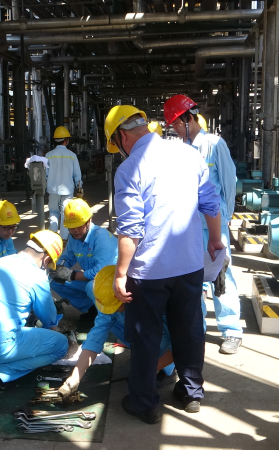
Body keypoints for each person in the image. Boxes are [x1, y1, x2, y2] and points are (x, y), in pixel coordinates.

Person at [105, 105, 223, 423]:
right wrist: (214, 239)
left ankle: (144, 403)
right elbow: (210, 202)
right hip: (189, 265)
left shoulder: (129, 168)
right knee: (189, 330)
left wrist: (120, 273)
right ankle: (191, 393)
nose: (119, 150)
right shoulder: (188, 154)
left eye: (116, 144)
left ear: (121, 136)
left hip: (149, 272)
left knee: (146, 336)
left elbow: (131, 229)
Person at [164, 94, 242, 355]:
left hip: (214, 225)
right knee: (192, 277)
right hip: (190, 226)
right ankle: (196, 329)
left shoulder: (214, 144)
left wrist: (226, 217)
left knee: (222, 275)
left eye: (176, 123)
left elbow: (229, 183)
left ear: (189, 118)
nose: (174, 129)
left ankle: (231, 330)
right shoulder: (180, 150)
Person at [0, 230, 68, 390]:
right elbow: (49, 319)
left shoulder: (0, 262)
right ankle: (1, 372)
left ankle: (0, 360)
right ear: (46, 259)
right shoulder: (37, 276)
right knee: (60, 345)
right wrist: (53, 330)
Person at [58, 266, 176, 399]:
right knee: (109, 322)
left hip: (168, 337)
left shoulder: (161, 302)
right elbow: (95, 338)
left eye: (115, 306)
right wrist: (75, 378)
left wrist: (148, 370)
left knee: (154, 358)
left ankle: (168, 370)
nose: (112, 310)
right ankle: (144, 357)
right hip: (147, 330)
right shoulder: (109, 298)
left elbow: (183, 345)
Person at [48, 198, 118, 323]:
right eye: (71, 227)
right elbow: (67, 258)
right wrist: (57, 269)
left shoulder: (102, 238)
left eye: (78, 226)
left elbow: (100, 273)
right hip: (95, 280)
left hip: (112, 281)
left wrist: (72, 275)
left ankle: (109, 317)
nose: (75, 230)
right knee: (55, 281)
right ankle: (93, 309)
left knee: (91, 287)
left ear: (89, 220)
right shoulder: (74, 237)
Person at [45, 126, 82, 240]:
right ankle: (64, 238)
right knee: (66, 213)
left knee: (53, 212)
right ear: (66, 140)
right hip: (67, 190)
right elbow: (77, 174)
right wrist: (79, 187)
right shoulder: (72, 155)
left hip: (52, 189)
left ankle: (52, 236)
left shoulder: (49, 155)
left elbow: (45, 174)